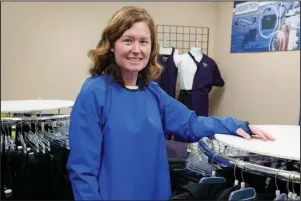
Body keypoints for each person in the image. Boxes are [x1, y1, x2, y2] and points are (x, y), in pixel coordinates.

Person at [66, 6, 275, 201]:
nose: (136, 49)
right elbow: (82, 169)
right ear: (112, 45)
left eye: (144, 42)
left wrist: (235, 125)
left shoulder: (152, 92)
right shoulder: (95, 92)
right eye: (128, 40)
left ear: (152, 48)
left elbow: (190, 124)